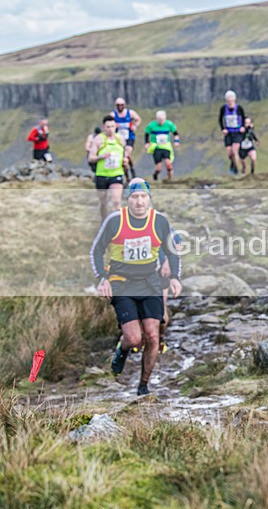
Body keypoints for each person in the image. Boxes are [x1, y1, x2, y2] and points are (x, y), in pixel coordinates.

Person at [90, 178, 182, 396]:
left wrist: (175, 277)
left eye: (143, 197)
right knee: (134, 339)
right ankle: (122, 350)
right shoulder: (115, 220)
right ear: (127, 199)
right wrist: (102, 278)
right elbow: (96, 250)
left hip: (150, 281)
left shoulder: (159, 220)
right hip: (122, 282)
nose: (139, 202)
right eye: (134, 197)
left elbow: (172, 249)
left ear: (149, 199)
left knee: (152, 335)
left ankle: (143, 385)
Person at [87, 115, 126, 220]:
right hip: (102, 175)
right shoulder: (99, 139)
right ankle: (104, 221)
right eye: (108, 127)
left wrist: (125, 160)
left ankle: (116, 224)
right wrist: (101, 157)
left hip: (116, 174)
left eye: (112, 126)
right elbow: (91, 158)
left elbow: (124, 154)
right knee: (103, 203)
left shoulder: (120, 139)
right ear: (104, 127)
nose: (110, 129)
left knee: (116, 201)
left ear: (116, 126)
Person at [144, 110, 180, 181]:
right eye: (159, 120)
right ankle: (155, 175)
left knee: (168, 163)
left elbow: (175, 134)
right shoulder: (151, 125)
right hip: (156, 147)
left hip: (166, 146)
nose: (160, 121)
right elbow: (147, 134)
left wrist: (176, 141)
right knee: (159, 168)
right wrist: (147, 143)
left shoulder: (169, 124)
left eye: (162, 120)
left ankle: (170, 179)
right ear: (156, 119)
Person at [111, 97, 141, 182]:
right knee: (123, 158)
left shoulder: (130, 113)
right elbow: (107, 123)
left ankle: (132, 170)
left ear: (124, 105)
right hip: (118, 139)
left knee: (126, 154)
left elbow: (138, 119)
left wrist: (135, 126)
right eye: (118, 105)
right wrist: (114, 126)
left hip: (129, 137)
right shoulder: (113, 115)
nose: (120, 107)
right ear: (115, 106)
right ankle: (127, 177)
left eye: (122, 105)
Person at [218, 90, 246, 175]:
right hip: (228, 133)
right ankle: (233, 164)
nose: (230, 103)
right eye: (228, 101)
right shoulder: (223, 109)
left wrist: (243, 127)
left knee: (234, 151)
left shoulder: (239, 108)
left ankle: (236, 171)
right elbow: (220, 119)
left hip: (237, 133)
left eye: (231, 101)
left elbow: (244, 118)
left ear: (234, 100)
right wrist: (223, 129)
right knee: (229, 153)